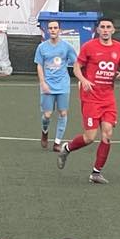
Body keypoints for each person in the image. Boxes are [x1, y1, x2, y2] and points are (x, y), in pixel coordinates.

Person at [56, 16, 120, 185]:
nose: (105, 30)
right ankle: (67, 148)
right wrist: (83, 80)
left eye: (108, 27)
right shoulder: (89, 46)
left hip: (108, 98)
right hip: (91, 98)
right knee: (89, 137)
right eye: (102, 27)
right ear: (97, 30)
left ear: (113, 30)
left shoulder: (119, 47)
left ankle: (96, 173)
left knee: (107, 134)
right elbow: (76, 67)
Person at [35, 19, 77, 150]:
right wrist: (43, 83)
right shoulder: (42, 47)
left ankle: (57, 143)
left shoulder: (66, 47)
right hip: (48, 85)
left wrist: (82, 78)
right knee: (47, 115)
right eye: (51, 28)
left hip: (63, 85)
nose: (53, 30)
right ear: (48, 30)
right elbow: (39, 65)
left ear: (60, 30)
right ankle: (45, 132)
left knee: (63, 113)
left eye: (55, 28)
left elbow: (77, 62)